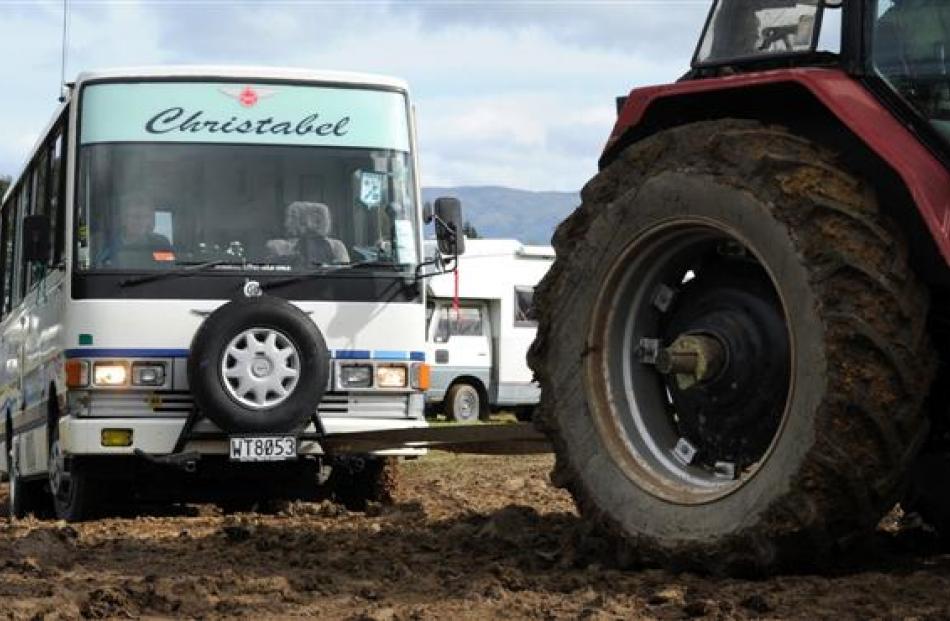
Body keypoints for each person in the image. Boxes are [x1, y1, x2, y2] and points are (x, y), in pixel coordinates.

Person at [96, 193, 174, 268]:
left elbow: (169, 268)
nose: (140, 221)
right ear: (123, 219)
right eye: (135, 216)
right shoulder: (105, 244)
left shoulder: (161, 244)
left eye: (146, 216)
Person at [266, 202, 349, 267]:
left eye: (315, 220)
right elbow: (271, 272)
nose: (307, 224)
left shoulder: (336, 246)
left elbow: (343, 274)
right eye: (301, 221)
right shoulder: (277, 246)